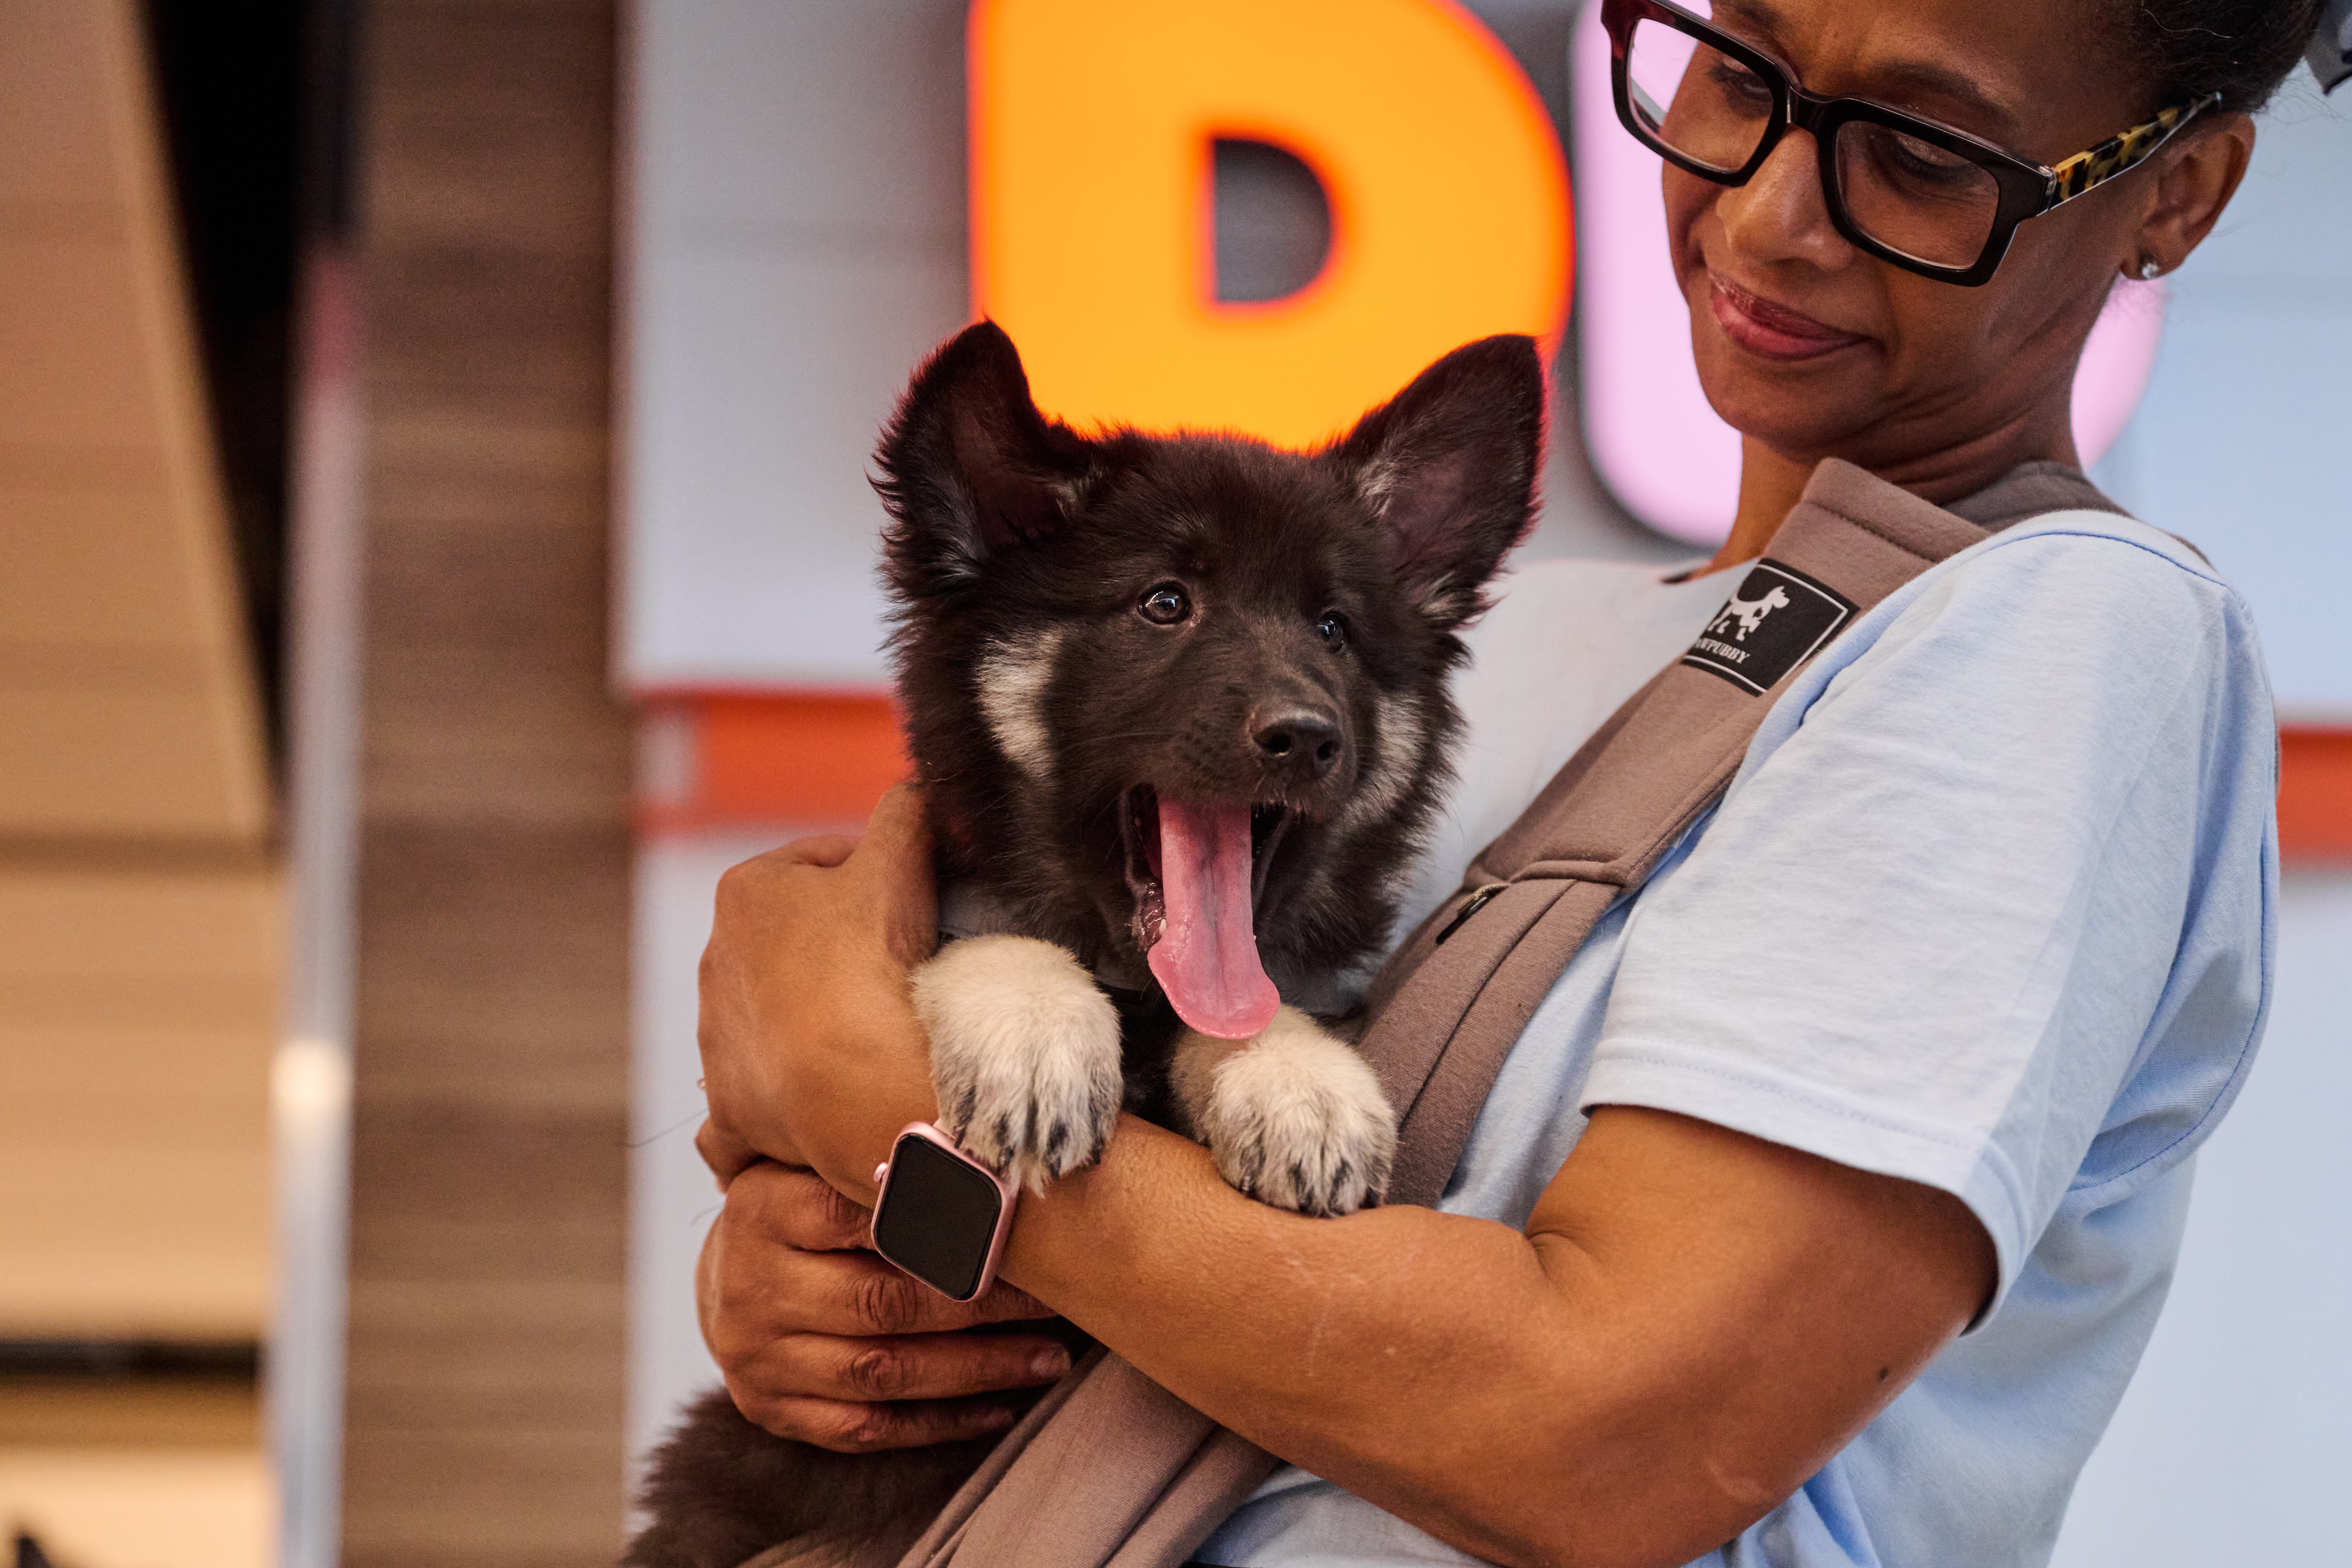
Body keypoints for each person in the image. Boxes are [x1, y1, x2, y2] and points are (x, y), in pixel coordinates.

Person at [687, 1, 2314, 1563]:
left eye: (1923, 156)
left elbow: (1606, 1434)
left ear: (2173, 187)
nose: (1767, 218)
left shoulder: (2053, 625)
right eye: (1734, 73)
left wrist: (874, 1096)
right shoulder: (1504, 646)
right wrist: (845, 1285)